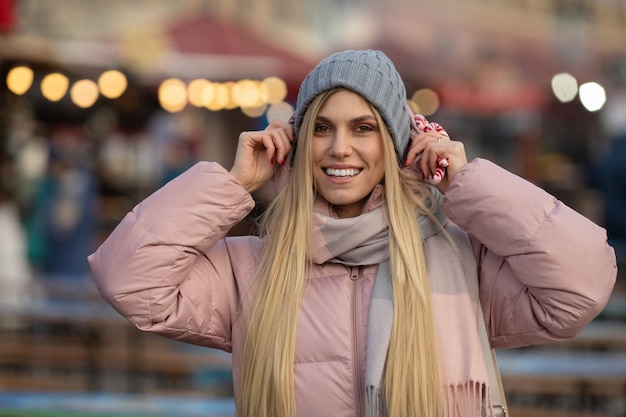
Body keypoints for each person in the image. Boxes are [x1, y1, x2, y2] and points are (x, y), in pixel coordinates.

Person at [88, 50, 617, 417]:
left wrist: (468, 183)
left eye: (364, 128)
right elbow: (129, 281)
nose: (340, 147)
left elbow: (582, 284)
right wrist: (235, 183)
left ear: (395, 144)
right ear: (298, 143)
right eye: (321, 127)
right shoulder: (249, 269)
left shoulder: (467, 264)